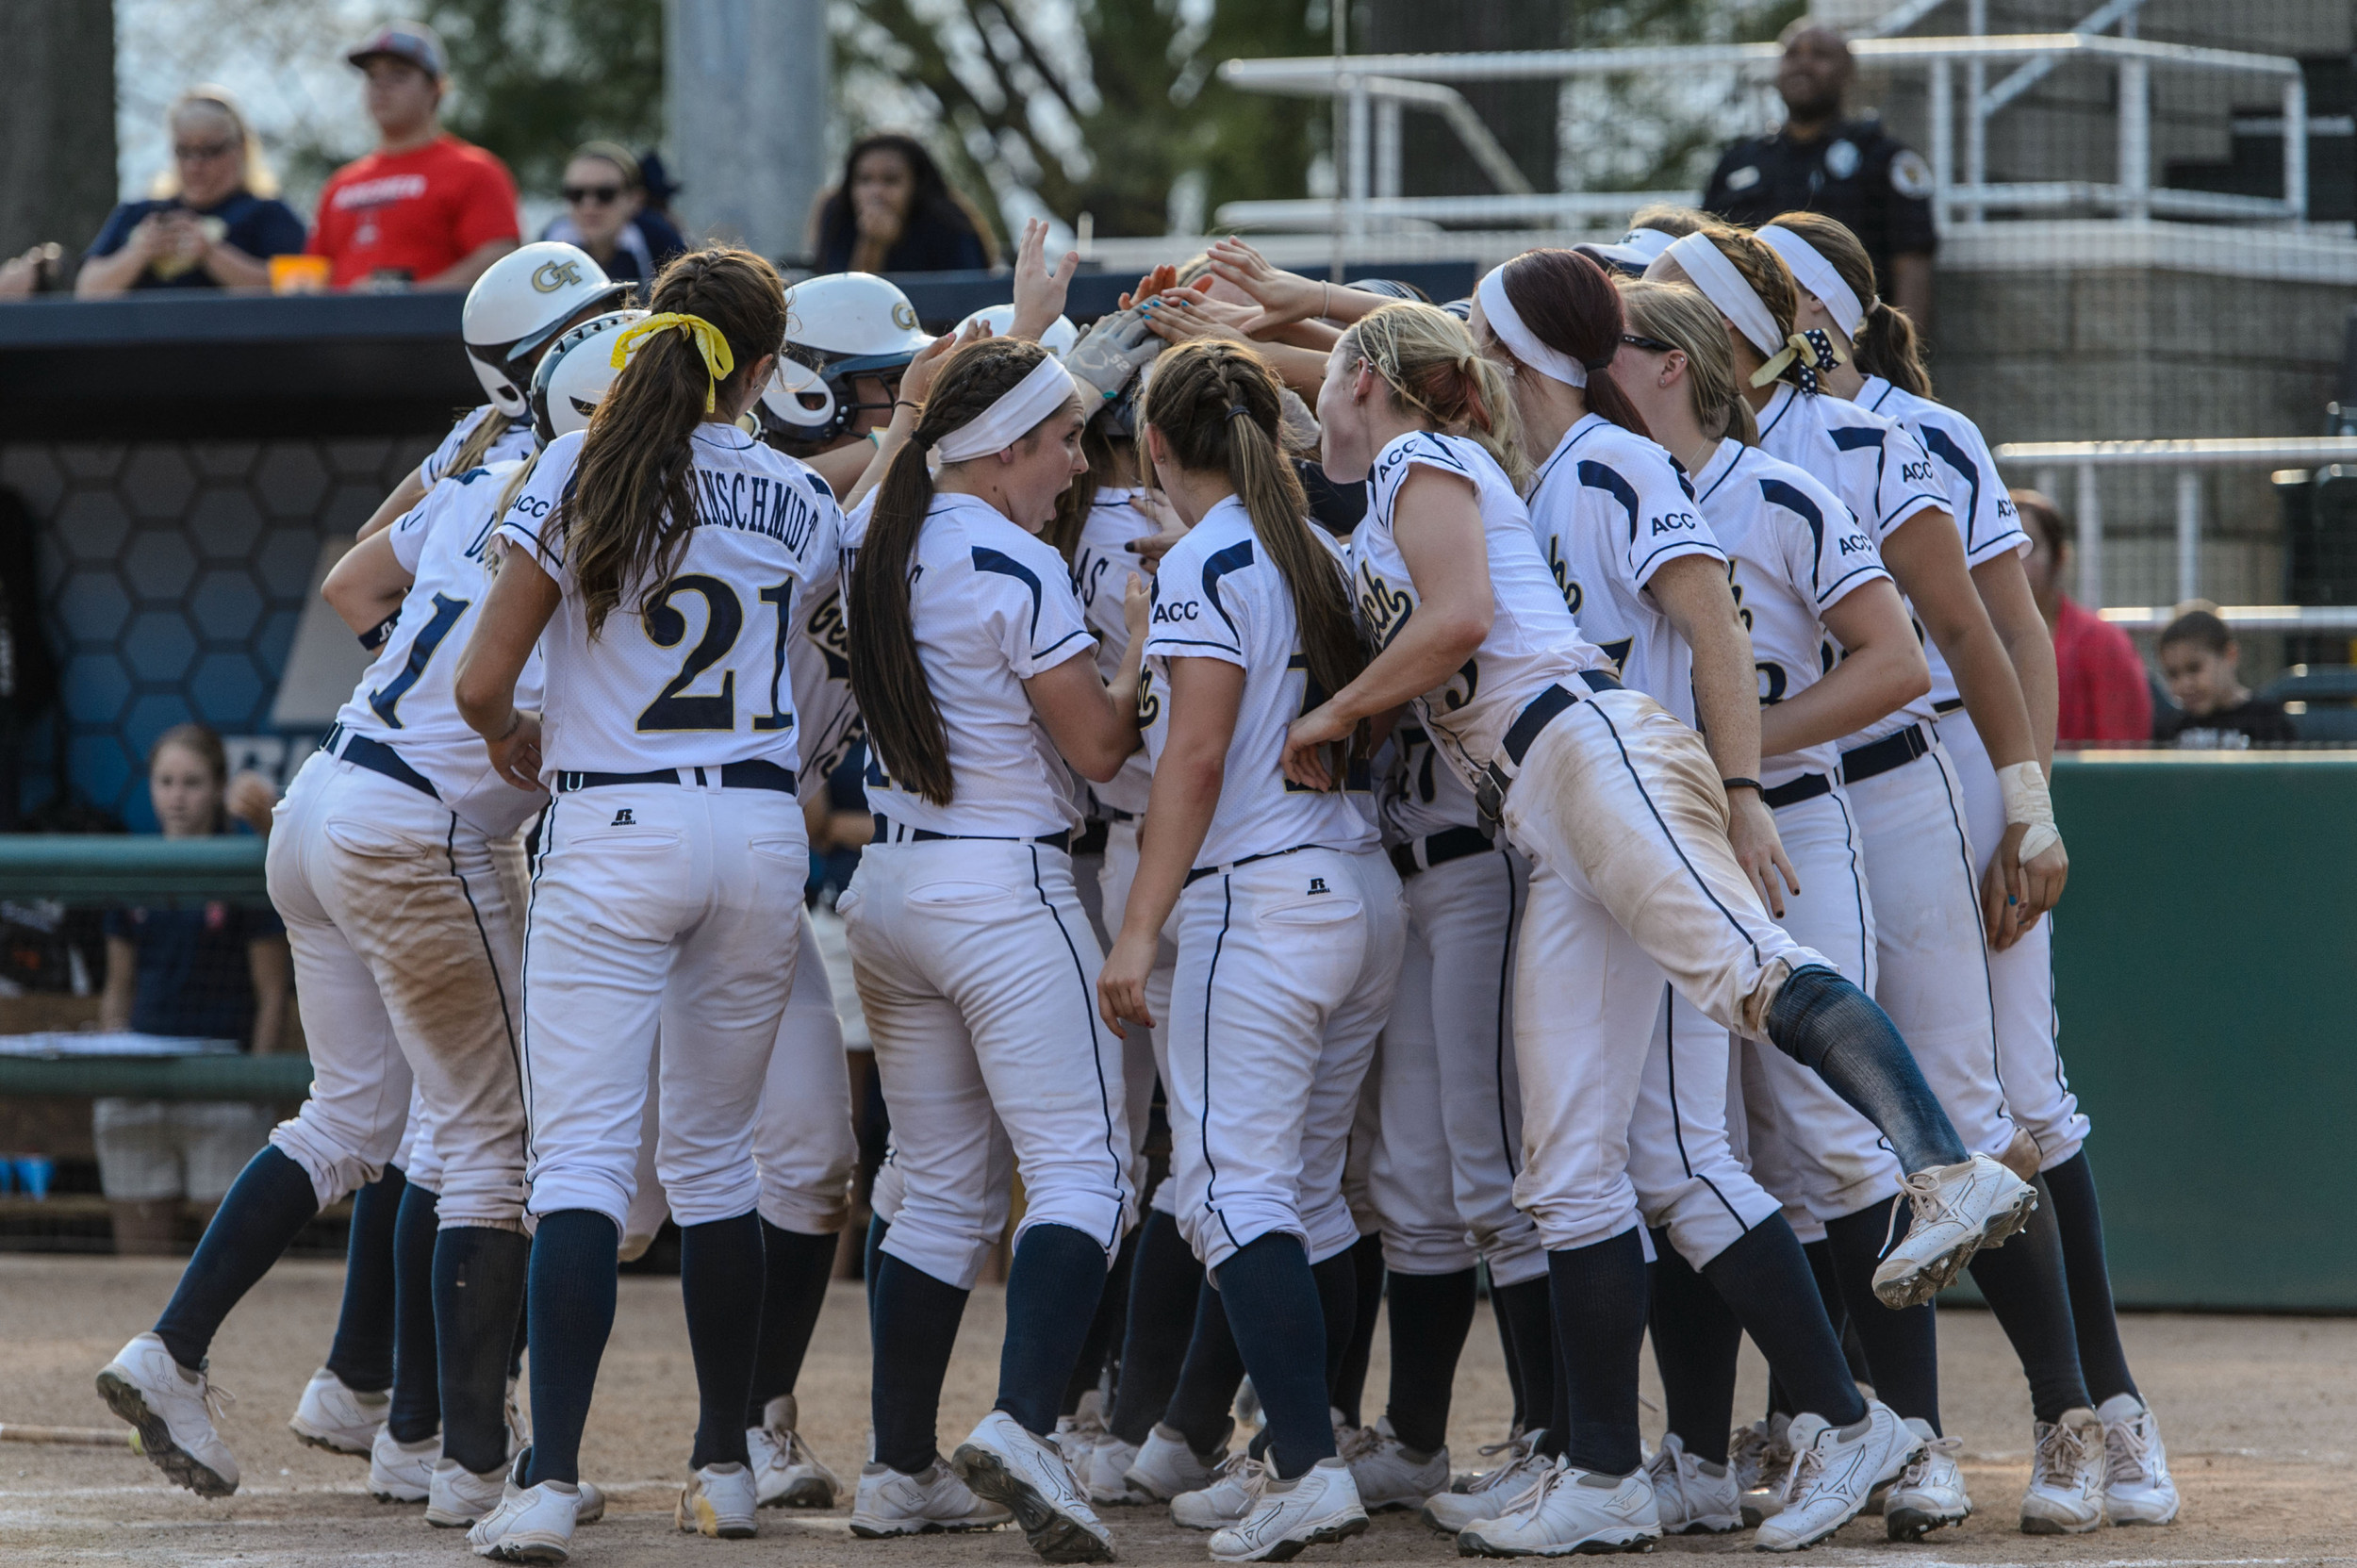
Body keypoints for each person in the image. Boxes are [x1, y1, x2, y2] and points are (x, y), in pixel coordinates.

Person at [1281, 299, 2023, 1556]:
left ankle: (1947, 1166)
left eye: (1335, 377)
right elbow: (1378, 374)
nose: (1315, 400)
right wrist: (1276, 320)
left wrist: (1334, 711)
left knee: (1751, 968)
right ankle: (1618, 1471)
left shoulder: (1421, 453)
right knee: (1572, 1163)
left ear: (1368, 379)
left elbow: (1459, 619)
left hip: (1585, 750)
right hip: (1544, 803)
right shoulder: (1425, 437)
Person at [1648, 221, 2118, 1535]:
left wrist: (2027, 804)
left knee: (1964, 1114)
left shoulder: (1868, 436)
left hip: (1905, 788)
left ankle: (2079, 1417)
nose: (1648, 314)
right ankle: (1879, 1429)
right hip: (1770, 812)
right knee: (1808, 1144)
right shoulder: (1674, 457)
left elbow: (1972, 630)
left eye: (1673, 294)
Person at [453, 246, 840, 1561]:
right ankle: (726, 1465)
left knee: (578, 1166)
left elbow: (477, 683)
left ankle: (552, 1477)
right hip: (754, 822)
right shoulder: (796, 486)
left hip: (617, 820)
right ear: (769, 368)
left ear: (642, 333)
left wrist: (517, 730)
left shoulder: (581, 461)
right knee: (717, 1163)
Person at [1090, 338, 1401, 1560]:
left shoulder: (1210, 554)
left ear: (1156, 445)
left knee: (1228, 1188)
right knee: (1306, 1190)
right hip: (1358, 888)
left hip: (1261, 902)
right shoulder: (1309, 542)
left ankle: (1312, 1467)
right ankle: (1296, 1441)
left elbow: (1197, 760)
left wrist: (1137, 924)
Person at [839, 332, 1147, 1562]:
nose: (1078, 461)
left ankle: (898, 1466)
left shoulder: (880, 532)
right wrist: (1134, 641)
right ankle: (1023, 1423)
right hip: (1000, 884)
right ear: (1005, 446)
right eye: (1063, 437)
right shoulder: (1011, 555)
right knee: (1088, 1171)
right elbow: (1099, 750)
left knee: (938, 1186)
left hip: (890, 882)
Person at [91, 726, 288, 1257]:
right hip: (139, 1086)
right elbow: (119, 985)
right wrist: (111, 1046)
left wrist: (256, 1090)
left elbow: (272, 993)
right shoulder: (135, 868)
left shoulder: (245, 865)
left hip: (223, 1089)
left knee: (230, 1265)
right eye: (165, 781)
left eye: (193, 782)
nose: (177, 796)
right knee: (140, 1268)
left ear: (219, 786)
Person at [354, 242, 629, 543]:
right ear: (510, 370)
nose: (594, 345)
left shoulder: (637, 413)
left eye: (601, 324)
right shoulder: (479, 432)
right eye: (568, 339)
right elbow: (370, 539)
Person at [1702, 25, 1935, 327]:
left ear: (1848, 73)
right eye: (1792, 54)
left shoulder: (1881, 158)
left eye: (1820, 55)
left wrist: (1900, 356)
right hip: (1753, 343)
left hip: (1851, 348)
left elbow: (1912, 264)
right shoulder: (1738, 162)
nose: (1803, 64)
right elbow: (1706, 259)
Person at [307, 21, 520, 291]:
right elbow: (316, 273)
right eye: (373, 76)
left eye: (398, 74)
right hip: (341, 332)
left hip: (437, 331)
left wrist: (408, 302)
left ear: (435, 87)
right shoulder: (340, 184)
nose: (381, 86)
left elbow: (499, 259)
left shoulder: (474, 170)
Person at [77, 87, 305, 296]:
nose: (195, 166)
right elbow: (86, 290)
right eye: (184, 151)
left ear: (240, 148)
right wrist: (139, 252)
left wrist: (210, 253)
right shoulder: (137, 214)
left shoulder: (268, 214)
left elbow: (296, 292)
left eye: (210, 151)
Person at [2012, 490, 2153, 744]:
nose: (2014, 562)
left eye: (2028, 547)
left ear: (2059, 557)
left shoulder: (2103, 642)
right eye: (2002, 548)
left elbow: (2122, 750)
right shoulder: (1970, 639)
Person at [810, 132, 997, 275]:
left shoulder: (949, 220)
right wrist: (871, 245)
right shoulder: (837, 214)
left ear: (916, 185)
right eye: (864, 180)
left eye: (891, 180)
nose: (876, 192)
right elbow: (842, 302)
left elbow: (971, 294)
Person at [536, 141, 687, 289]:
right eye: (576, 194)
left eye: (605, 194)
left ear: (634, 199)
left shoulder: (660, 241)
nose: (589, 205)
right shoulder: (549, 246)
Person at [2153, 607, 2294, 748]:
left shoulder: (2267, 720)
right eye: (2173, 674)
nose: (2185, 683)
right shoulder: (2170, 728)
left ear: (2229, 655)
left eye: (2194, 668)